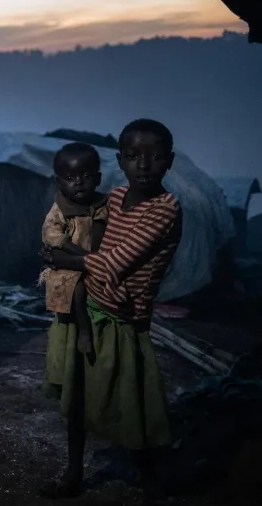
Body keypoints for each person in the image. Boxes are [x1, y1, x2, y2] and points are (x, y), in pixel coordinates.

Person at [41, 119, 183, 503]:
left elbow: (112, 263)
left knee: (134, 404)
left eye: (155, 157)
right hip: (89, 307)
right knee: (77, 400)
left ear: (169, 162)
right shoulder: (115, 199)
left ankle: (150, 478)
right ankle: (73, 472)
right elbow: (82, 238)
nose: (143, 165)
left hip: (124, 320)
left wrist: (61, 258)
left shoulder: (164, 209)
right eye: (134, 156)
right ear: (120, 160)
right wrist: (66, 253)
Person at [39, 142, 109, 357]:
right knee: (76, 288)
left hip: (98, 262)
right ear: (59, 182)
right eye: (70, 179)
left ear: (98, 179)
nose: (79, 183)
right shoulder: (61, 208)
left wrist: (95, 258)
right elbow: (50, 234)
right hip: (69, 262)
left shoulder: (104, 204)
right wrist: (82, 254)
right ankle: (83, 331)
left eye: (86, 176)